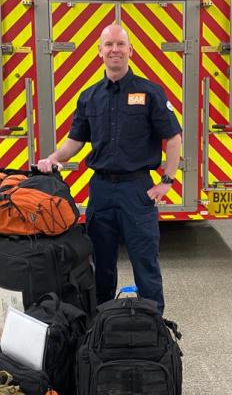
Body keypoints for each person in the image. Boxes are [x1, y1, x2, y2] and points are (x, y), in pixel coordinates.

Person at [37, 24, 182, 314]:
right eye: (108, 45)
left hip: (136, 190)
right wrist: (53, 159)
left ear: (130, 51)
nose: (114, 49)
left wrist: (166, 181)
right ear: (99, 52)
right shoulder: (89, 97)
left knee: (145, 263)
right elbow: (74, 142)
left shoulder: (150, 92)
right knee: (101, 263)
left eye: (120, 44)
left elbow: (174, 137)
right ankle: (101, 323)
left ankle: (153, 324)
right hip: (101, 190)